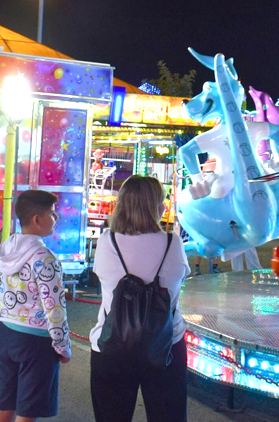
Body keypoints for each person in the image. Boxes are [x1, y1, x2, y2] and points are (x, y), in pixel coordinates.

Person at [90, 176, 190, 422]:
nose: (165, 206)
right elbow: (179, 279)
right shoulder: (172, 243)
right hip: (165, 345)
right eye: (162, 200)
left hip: (111, 343)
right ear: (154, 206)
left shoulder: (107, 241)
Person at [0, 190, 71, 422]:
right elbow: (54, 307)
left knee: (4, 405)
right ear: (37, 219)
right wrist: (62, 345)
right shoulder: (45, 258)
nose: (56, 219)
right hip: (36, 342)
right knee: (27, 412)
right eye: (52, 214)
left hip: (5, 334)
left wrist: (4, 320)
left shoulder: (2, 251)